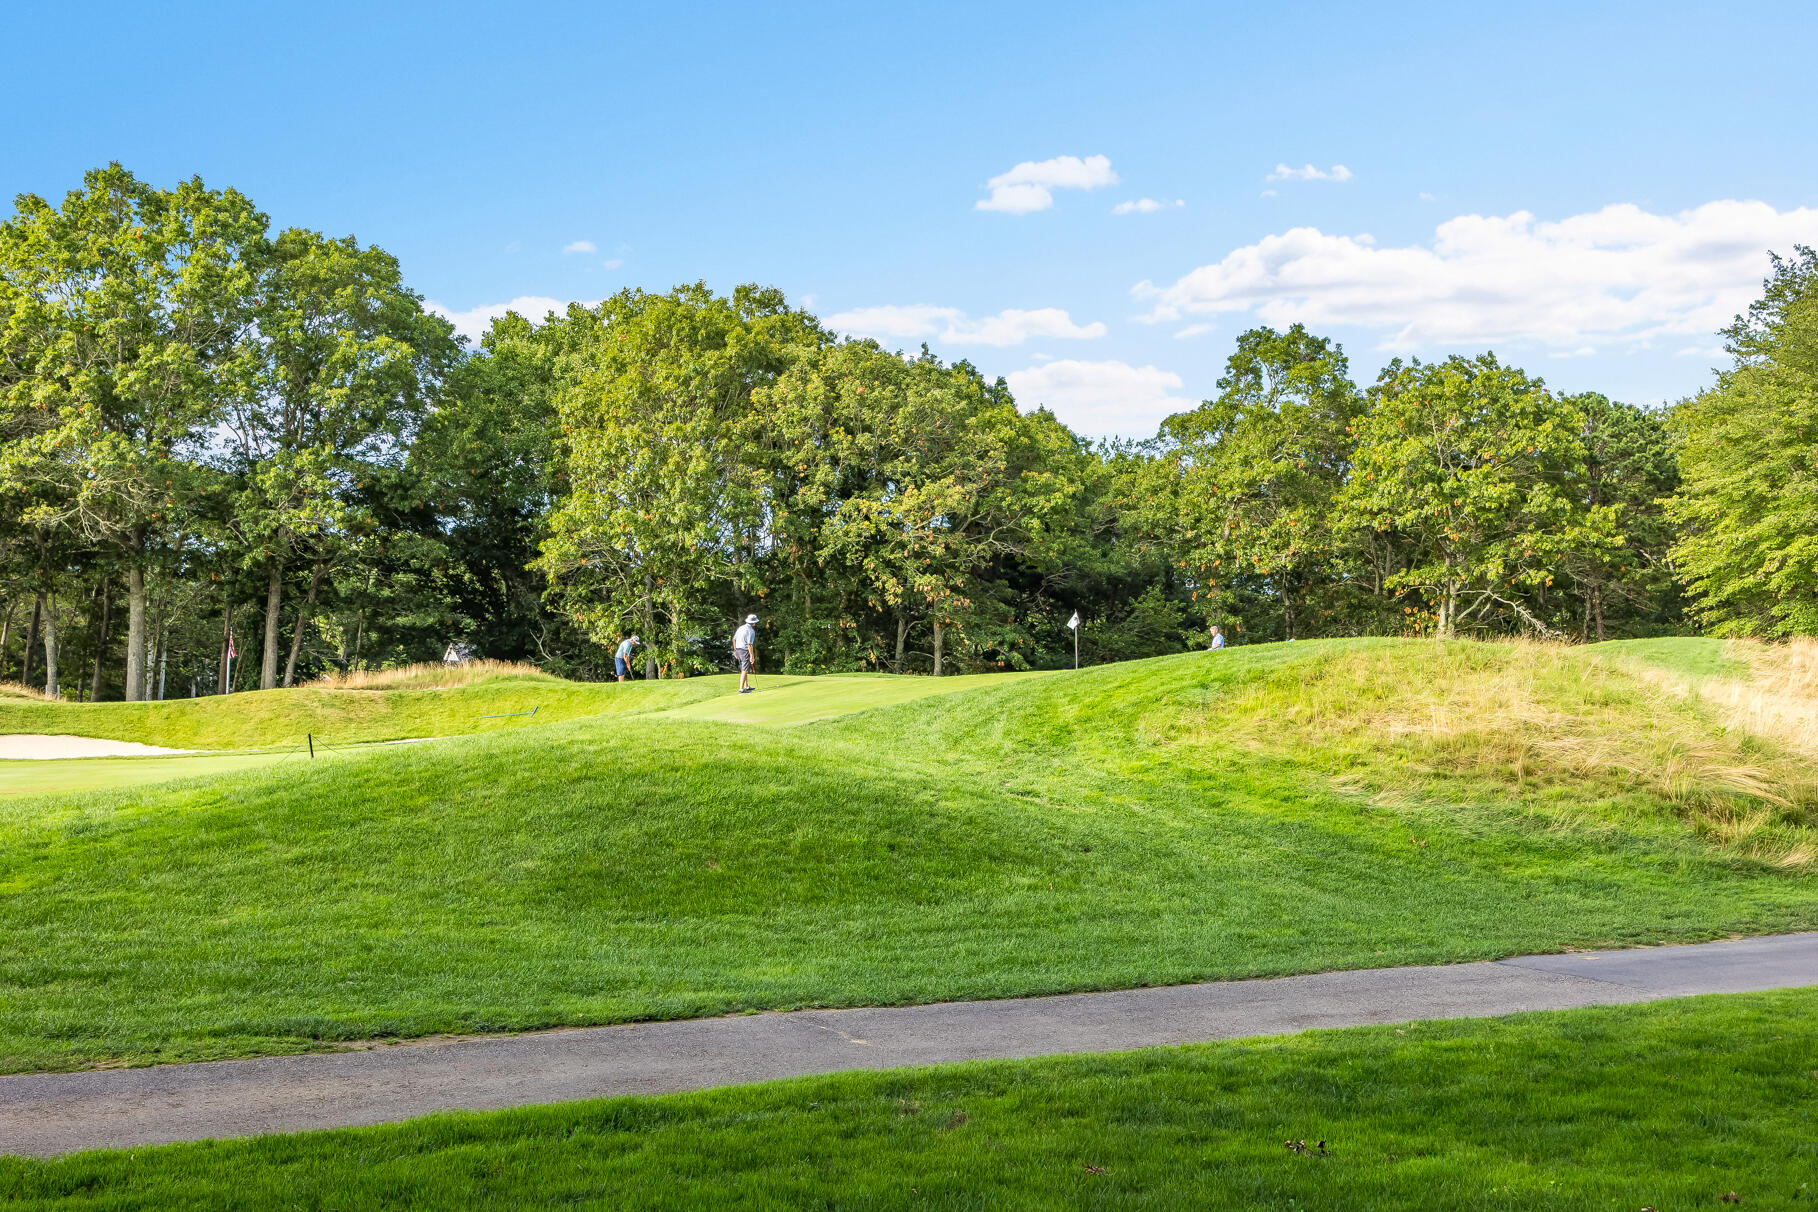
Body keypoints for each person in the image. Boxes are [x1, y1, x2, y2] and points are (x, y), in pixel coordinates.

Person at [733, 613, 759, 694]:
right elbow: (749, 645)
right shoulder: (751, 631)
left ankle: (746, 686)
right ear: (754, 622)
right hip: (744, 651)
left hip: (738, 650)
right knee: (744, 669)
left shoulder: (741, 627)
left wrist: (735, 650)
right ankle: (741, 689)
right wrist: (752, 656)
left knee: (744, 668)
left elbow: (734, 639)